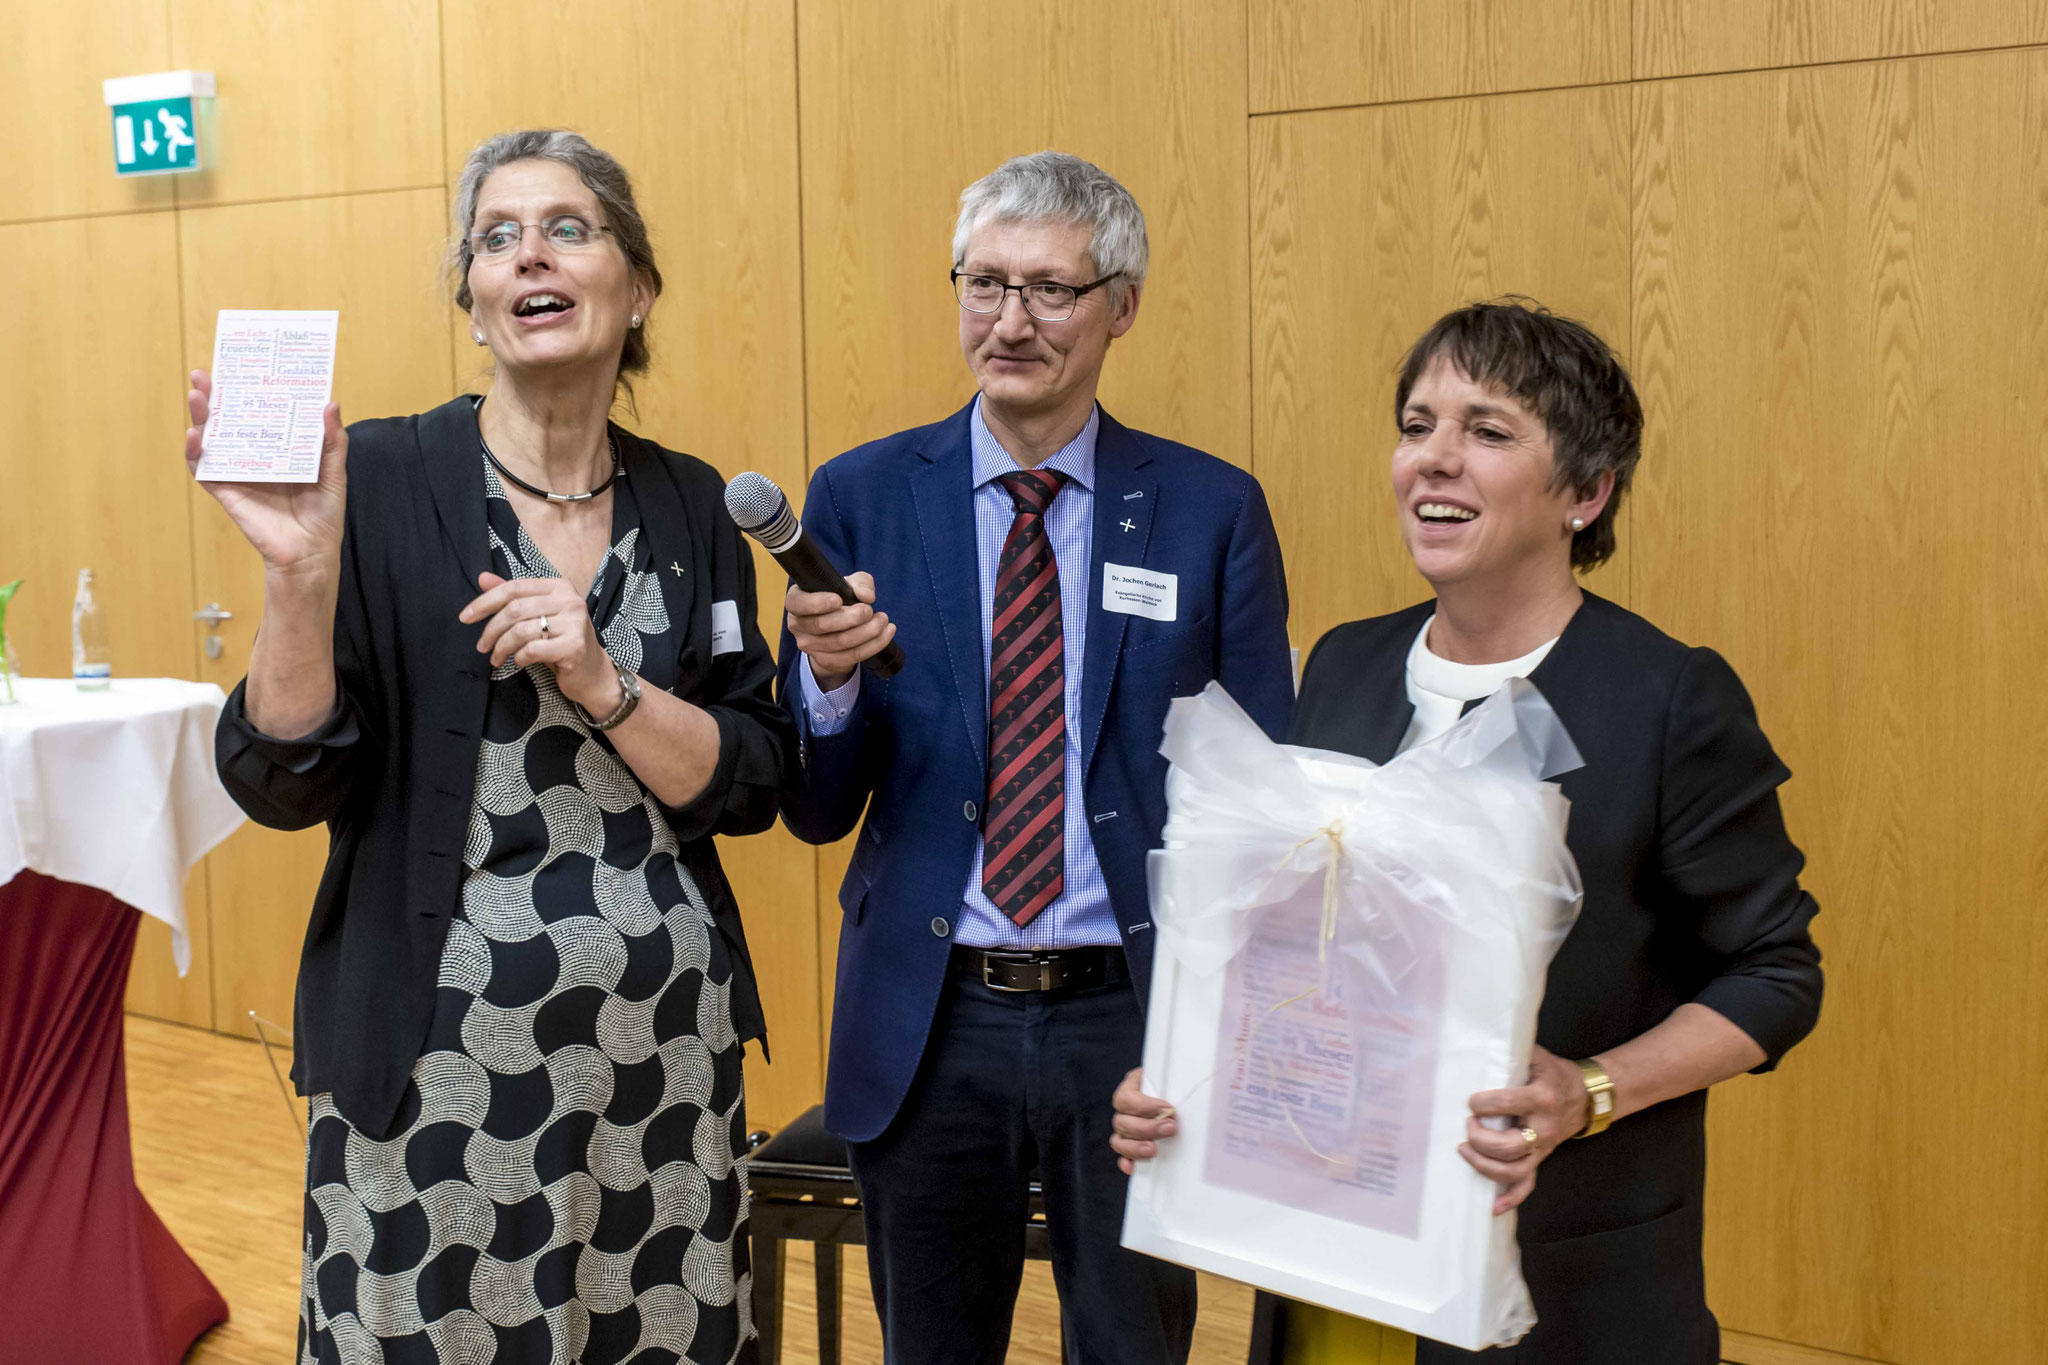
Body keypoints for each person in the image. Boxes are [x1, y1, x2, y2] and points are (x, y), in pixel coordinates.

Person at [1111, 298, 1824, 1364]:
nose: (1432, 460)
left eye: (1486, 432)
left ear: (1586, 492)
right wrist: (1185, 1076)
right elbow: (1289, 952)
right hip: (1331, 1258)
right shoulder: (1344, 665)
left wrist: (1583, 1093)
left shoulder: (1666, 697)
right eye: (1415, 426)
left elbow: (1777, 976)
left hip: (1562, 1273)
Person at [198, 129, 795, 1365]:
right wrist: (301, 579)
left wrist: (600, 677)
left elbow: (748, 776)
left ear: (635, 291)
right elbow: (282, 779)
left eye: (569, 228)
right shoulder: (374, 477)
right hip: (438, 1075)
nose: (530, 252)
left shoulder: (690, 503)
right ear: (471, 301)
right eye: (496, 236)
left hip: (662, 1070)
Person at [775, 151, 1294, 1365]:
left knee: (1131, 1347)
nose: (1010, 322)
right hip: (931, 1012)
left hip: (1131, 1015)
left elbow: (1262, 784)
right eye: (984, 283)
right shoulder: (858, 495)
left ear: (1120, 305)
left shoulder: (1209, 509)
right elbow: (812, 805)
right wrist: (829, 679)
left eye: (1051, 291)